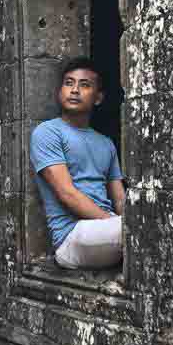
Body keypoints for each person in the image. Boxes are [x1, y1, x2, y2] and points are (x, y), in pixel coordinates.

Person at [30, 57, 125, 269]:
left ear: (98, 98)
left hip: (109, 232)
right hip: (72, 238)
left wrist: (123, 220)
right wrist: (113, 222)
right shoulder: (47, 133)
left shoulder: (106, 143)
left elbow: (119, 198)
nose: (74, 90)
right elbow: (67, 194)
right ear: (59, 92)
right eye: (69, 83)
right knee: (141, 232)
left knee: (150, 227)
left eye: (84, 85)